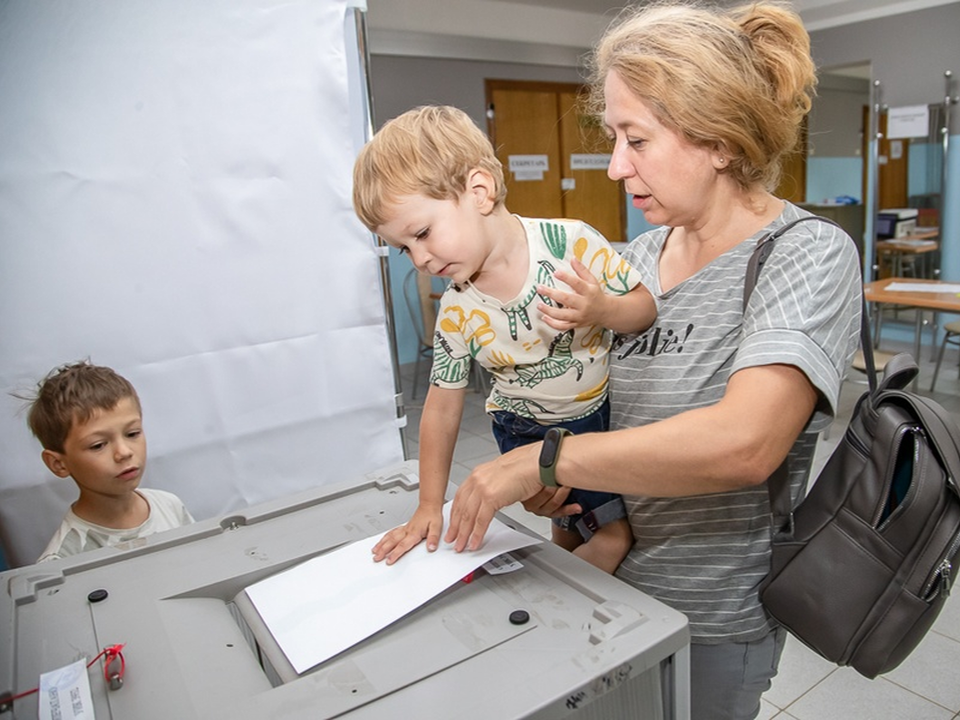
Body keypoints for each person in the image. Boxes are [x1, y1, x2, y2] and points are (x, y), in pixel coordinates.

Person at [443, 3, 862, 719]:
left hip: (711, 620)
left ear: (720, 140)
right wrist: (557, 490)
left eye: (636, 139)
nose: (614, 166)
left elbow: (745, 444)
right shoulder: (626, 264)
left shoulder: (804, 254)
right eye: (613, 137)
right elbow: (581, 419)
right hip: (599, 589)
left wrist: (546, 463)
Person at [352, 105, 658, 572]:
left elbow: (644, 310)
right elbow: (441, 406)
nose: (420, 259)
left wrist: (602, 310)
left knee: (612, 536)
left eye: (423, 233)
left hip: (590, 421)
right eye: (404, 248)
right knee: (571, 523)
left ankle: (567, 619)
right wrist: (429, 506)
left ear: (479, 190)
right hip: (520, 427)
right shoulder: (456, 310)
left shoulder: (572, 245)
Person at [24, 361, 194, 562]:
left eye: (132, 433)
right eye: (98, 445)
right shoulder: (62, 562)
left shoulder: (169, 505)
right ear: (58, 464)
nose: (123, 452)